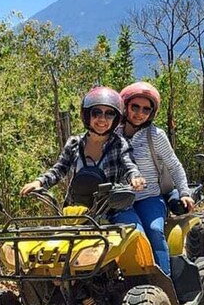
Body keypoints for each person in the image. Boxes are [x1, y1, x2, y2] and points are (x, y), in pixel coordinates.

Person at [20, 86, 145, 218]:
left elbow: (129, 165)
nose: (102, 119)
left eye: (109, 113)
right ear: (87, 115)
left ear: (115, 118)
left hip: (113, 209)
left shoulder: (120, 144)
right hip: (77, 210)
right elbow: (59, 169)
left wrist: (135, 178)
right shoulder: (75, 143)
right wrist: (39, 182)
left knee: (136, 233)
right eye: (96, 112)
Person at [116, 82, 194, 275]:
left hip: (149, 197)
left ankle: (164, 283)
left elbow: (174, 166)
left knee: (153, 231)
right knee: (125, 238)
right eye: (135, 107)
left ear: (152, 113)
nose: (139, 113)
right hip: (119, 201)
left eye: (146, 109)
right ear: (125, 106)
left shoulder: (155, 135)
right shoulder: (111, 134)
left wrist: (184, 193)